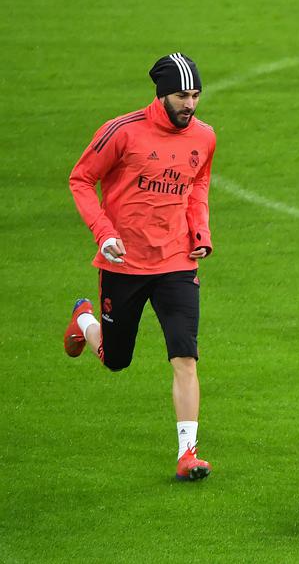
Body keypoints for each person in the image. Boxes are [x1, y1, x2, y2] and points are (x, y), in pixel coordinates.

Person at [65, 53, 217, 482]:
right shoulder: (122, 132)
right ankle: (85, 321)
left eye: (195, 95)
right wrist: (104, 232)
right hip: (124, 263)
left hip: (176, 262)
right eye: (182, 95)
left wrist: (199, 232)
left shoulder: (204, 137)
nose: (190, 104)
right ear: (161, 94)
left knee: (185, 355)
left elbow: (198, 184)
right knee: (115, 360)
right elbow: (80, 179)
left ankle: (188, 453)